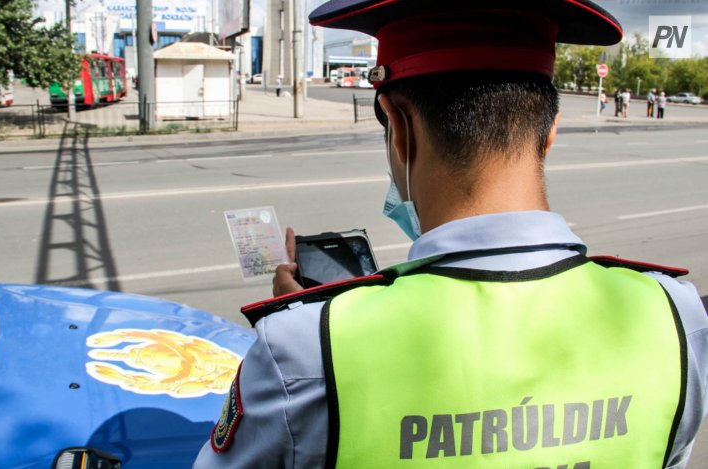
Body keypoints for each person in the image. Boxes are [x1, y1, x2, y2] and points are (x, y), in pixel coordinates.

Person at [194, 1, 708, 467]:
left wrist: (315, 325)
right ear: (550, 133)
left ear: (399, 126)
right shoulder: (676, 316)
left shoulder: (303, 350)